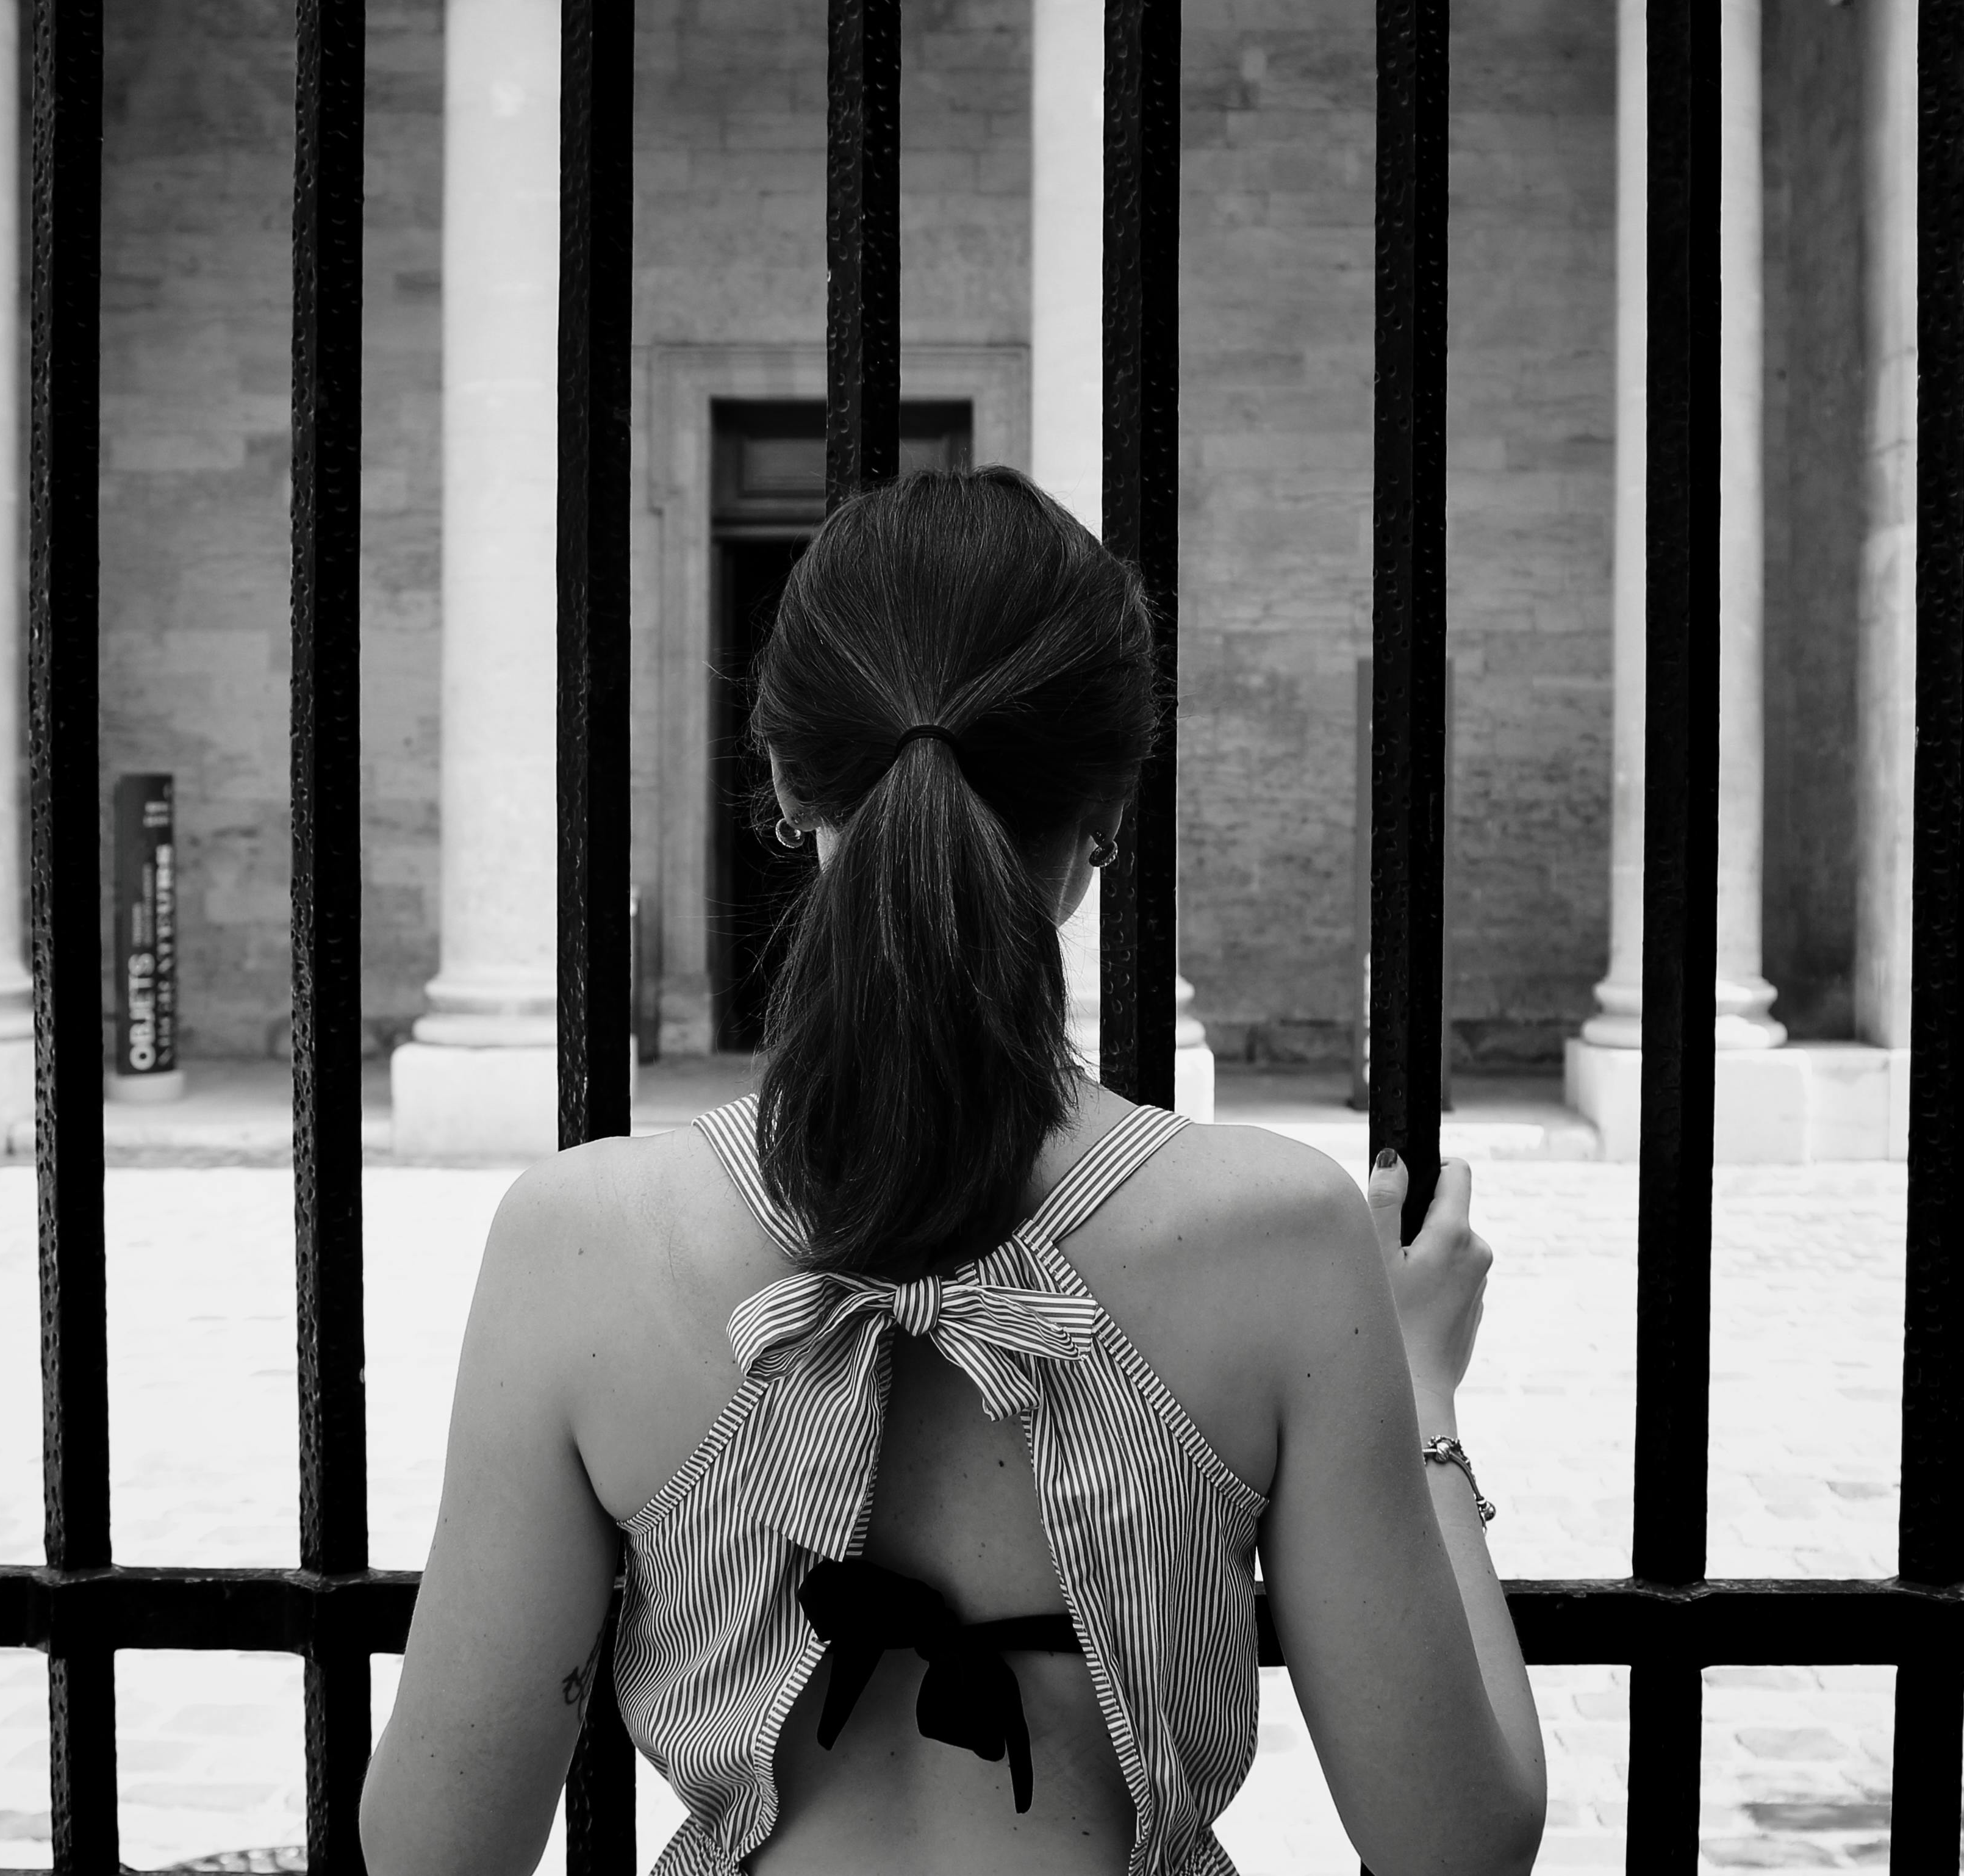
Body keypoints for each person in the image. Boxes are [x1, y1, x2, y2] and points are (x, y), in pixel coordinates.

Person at [359, 468, 1545, 1876]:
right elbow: (1459, 1845)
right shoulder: (1282, 1239)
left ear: (793, 790)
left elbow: (433, 1850)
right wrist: (1421, 1396)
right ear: (1107, 818)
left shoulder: (577, 1242)